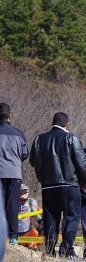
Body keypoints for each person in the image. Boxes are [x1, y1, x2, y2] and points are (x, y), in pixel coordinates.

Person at [29, 112, 86, 259]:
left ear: (53, 123)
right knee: (71, 217)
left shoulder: (39, 139)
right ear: (67, 124)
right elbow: (81, 163)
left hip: (48, 185)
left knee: (51, 218)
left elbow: (33, 161)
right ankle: (67, 250)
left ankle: (49, 251)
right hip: (69, 184)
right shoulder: (71, 137)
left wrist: (45, 171)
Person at [0, 102, 29, 246]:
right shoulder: (19, 134)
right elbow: (25, 153)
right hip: (14, 173)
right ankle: (13, 236)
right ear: (10, 117)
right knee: (12, 205)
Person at [17, 184, 43, 249]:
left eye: (24, 192)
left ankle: (33, 247)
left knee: (36, 233)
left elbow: (36, 212)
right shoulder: (12, 202)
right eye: (20, 192)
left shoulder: (30, 203)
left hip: (26, 233)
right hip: (14, 233)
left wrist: (40, 220)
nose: (22, 195)